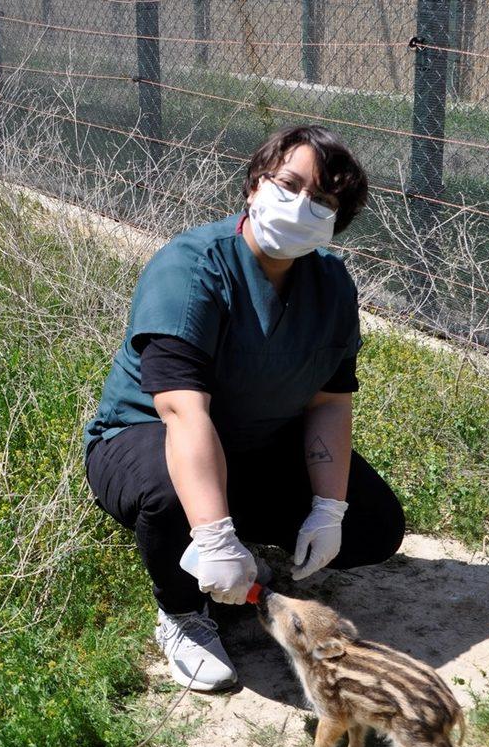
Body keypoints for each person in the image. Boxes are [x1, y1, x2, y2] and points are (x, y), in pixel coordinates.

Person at [84, 125, 405, 692]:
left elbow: (330, 400)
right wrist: (211, 534)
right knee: (168, 492)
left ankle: (229, 543)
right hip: (145, 436)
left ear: (336, 220)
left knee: (373, 525)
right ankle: (182, 611)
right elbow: (182, 412)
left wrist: (328, 509)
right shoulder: (193, 267)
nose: (303, 205)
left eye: (324, 201)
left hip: (255, 444)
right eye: (289, 184)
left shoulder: (332, 286)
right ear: (256, 184)